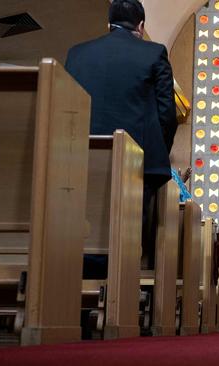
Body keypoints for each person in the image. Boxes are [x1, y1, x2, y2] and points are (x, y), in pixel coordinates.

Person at [65, 0, 177, 269]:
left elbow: (67, 106)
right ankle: (117, 296)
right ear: (141, 26)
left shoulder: (77, 54)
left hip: (82, 160)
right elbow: (166, 114)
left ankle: (76, 297)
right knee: (124, 240)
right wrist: (156, 154)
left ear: (108, 24)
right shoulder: (154, 53)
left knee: (82, 231)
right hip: (134, 164)